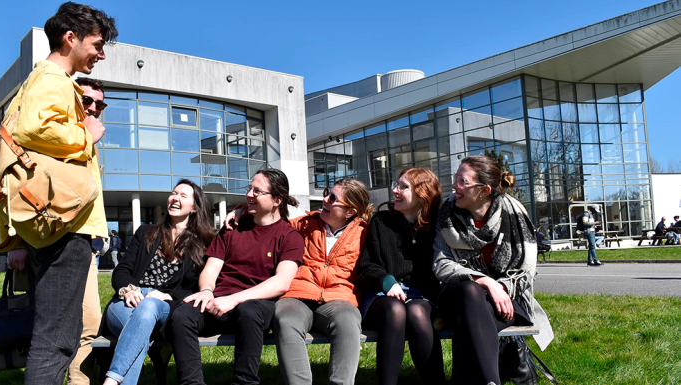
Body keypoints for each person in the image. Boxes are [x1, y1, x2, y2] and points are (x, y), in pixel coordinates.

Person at [2, 3, 118, 384]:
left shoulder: (44, 81)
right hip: (64, 228)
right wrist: (87, 134)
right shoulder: (53, 78)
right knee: (57, 340)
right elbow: (35, 130)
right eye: (98, 44)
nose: (101, 54)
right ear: (71, 38)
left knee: (61, 334)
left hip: (58, 223)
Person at [225, 179, 373, 385]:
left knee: (348, 320)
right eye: (326, 192)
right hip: (298, 295)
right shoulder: (303, 224)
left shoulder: (364, 233)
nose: (324, 199)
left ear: (350, 212)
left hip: (339, 298)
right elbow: (270, 219)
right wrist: (241, 210)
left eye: (332, 198)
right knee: (285, 320)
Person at [170, 168, 304, 385]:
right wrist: (206, 291)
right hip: (219, 299)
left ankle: (245, 382)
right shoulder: (232, 227)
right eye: (249, 188)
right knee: (182, 315)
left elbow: (281, 282)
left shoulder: (289, 237)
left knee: (248, 310)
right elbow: (211, 269)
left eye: (257, 191)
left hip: (257, 303)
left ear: (277, 200)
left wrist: (234, 299)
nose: (249, 194)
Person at [433, 155, 554, 385]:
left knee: (471, 319)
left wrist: (502, 287)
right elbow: (441, 264)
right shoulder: (446, 214)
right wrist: (487, 282)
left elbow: (525, 271)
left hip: (508, 297)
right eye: (455, 179)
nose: (454, 186)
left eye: (462, 181)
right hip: (456, 295)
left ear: (484, 190)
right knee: (471, 292)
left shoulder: (515, 214)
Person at [102, 180, 215, 385]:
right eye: (173, 193)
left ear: (195, 208)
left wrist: (170, 296)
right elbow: (122, 270)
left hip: (163, 306)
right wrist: (127, 289)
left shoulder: (203, 244)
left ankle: (110, 381)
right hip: (128, 302)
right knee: (139, 333)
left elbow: (195, 287)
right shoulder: (146, 233)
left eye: (183, 196)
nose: (175, 198)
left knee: (150, 306)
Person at [356, 168, 444, 385]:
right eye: (396, 185)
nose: (395, 190)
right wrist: (387, 281)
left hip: (420, 295)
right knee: (395, 309)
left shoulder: (436, 227)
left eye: (403, 187)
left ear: (423, 193)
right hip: (381, 294)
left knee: (416, 311)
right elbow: (367, 265)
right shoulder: (381, 221)